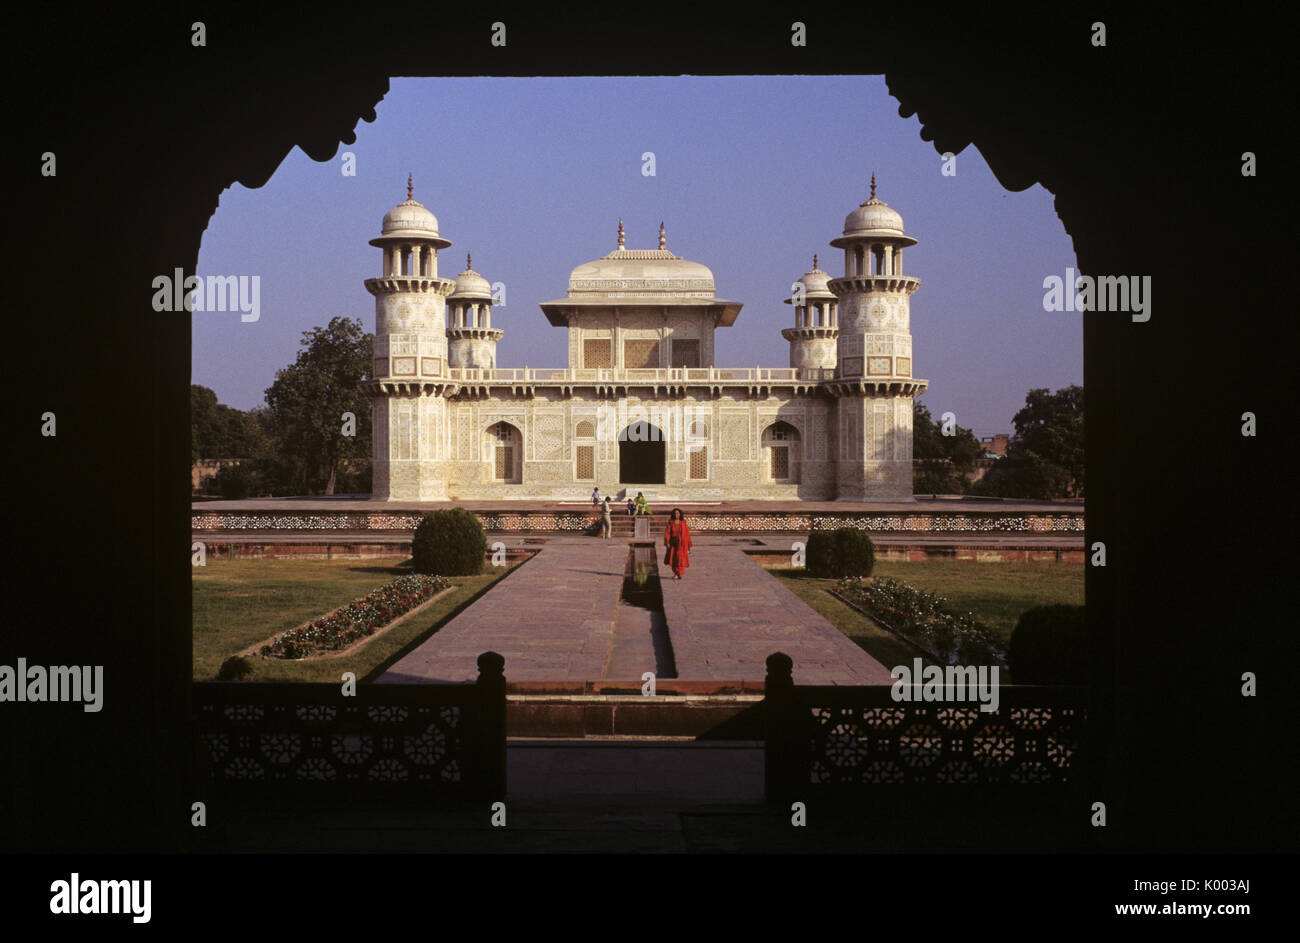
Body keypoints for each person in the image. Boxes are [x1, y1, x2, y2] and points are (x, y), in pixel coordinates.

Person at [663, 508, 692, 579]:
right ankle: (676, 573)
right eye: (675, 513)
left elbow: (687, 534)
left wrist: (688, 545)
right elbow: (667, 533)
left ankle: (680, 573)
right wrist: (667, 542)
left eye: (678, 513)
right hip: (673, 543)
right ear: (673, 514)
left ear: (680, 514)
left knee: (680, 558)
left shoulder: (683, 522)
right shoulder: (671, 523)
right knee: (674, 558)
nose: (677, 515)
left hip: (682, 544)